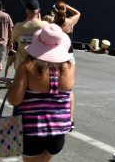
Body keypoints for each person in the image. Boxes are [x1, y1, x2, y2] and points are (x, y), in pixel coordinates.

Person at [7, 23, 74, 161]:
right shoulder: (69, 67)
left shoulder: (26, 68)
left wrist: (11, 87)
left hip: (32, 132)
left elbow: (15, 100)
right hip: (58, 133)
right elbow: (70, 95)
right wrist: (70, 121)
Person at [11, 0, 48, 70]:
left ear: (26, 11)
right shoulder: (45, 25)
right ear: (39, 11)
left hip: (22, 67)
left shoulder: (18, 26)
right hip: (38, 66)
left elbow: (13, 40)